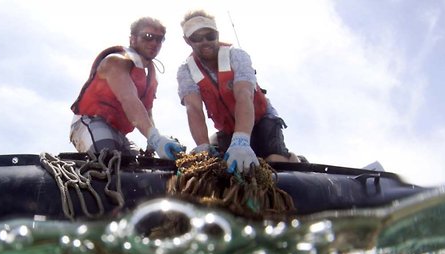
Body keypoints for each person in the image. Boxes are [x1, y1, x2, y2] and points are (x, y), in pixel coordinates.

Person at [177, 10, 299, 173]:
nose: (205, 41)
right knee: (226, 168)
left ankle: (292, 158)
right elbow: (194, 109)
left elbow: (244, 95)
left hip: (261, 118)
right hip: (228, 128)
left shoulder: (237, 56)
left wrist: (241, 140)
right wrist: (203, 147)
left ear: (217, 35)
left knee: (273, 162)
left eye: (210, 36)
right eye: (197, 38)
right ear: (187, 40)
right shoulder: (186, 72)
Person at [70, 17, 185, 160]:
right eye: (148, 37)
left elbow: (147, 112)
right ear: (133, 39)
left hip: (120, 133)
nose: (154, 43)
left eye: (159, 39)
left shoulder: (150, 78)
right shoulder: (115, 62)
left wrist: (153, 141)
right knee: (110, 161)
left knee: (141, 170)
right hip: (91, 121)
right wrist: (155, 138)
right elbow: (129, 99)